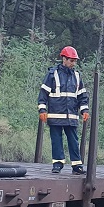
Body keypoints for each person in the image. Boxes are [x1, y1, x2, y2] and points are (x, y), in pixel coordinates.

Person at [38, 46, 89, 174]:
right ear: (64, 59)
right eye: (71, 60)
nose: (73, 63)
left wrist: (84, 110)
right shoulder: (52, 74)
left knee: (73, 140)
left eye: (75, 61)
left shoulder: (77, 76)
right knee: (56, 140)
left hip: (71, 115)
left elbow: (82, 95)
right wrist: (42, 110)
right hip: (55, 114)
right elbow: (43, 93)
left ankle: (77, 165)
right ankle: (57, 164)